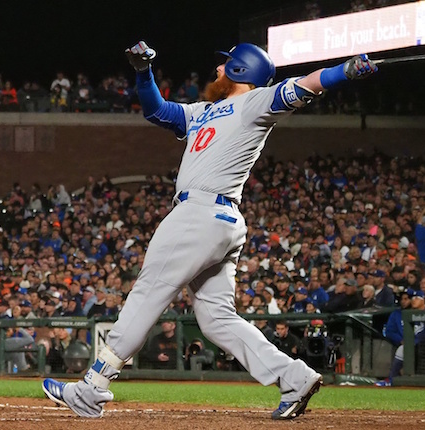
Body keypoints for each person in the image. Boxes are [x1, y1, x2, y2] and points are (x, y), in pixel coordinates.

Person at [42, 40, 377, 420]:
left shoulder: (255, 102)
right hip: (220, 220)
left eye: (225, 64)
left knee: (148, 293)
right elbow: (157, 111)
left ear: (240, 69)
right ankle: (292, 375)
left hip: (199, 214)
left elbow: (303, 85)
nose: (217, 69)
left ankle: (92, 387)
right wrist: (143, 72)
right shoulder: (206, 111)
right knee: (216, 318)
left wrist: (343, 72)